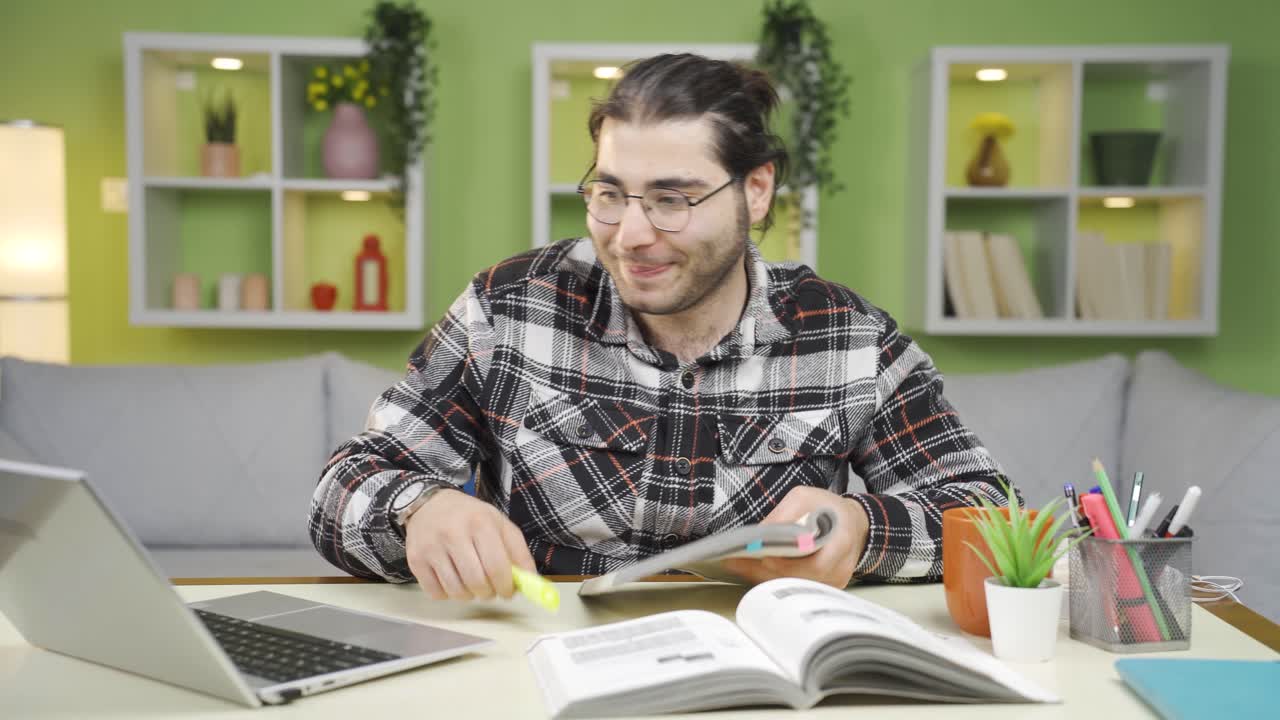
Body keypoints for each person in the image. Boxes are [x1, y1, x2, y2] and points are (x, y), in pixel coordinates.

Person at [310, 53, 1008, 602]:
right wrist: (417, 511)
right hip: (540, 665)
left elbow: (989, 514)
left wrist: (862, 527)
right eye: (610, 194)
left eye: (672, 199)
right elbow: (343, 486)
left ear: (755, 190)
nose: (632, 236)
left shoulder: (850, 338)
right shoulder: (509, 308)